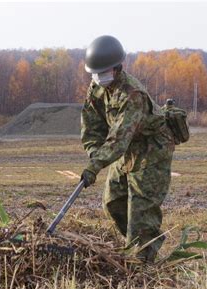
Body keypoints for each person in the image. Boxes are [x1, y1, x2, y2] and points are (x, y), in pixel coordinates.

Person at [80, 35, 175, 263]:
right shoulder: (97, 88)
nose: (98, 77)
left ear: (116, 68)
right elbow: (91, 124)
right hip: (125, 152)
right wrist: (94, 152)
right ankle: (137, 246)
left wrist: (94, 167)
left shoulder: (133, 95)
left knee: (141, 214)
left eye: (102, 72)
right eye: (95, 73)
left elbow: (118, 138)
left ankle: (143, 264)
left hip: (151, 151)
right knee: (113, 202)